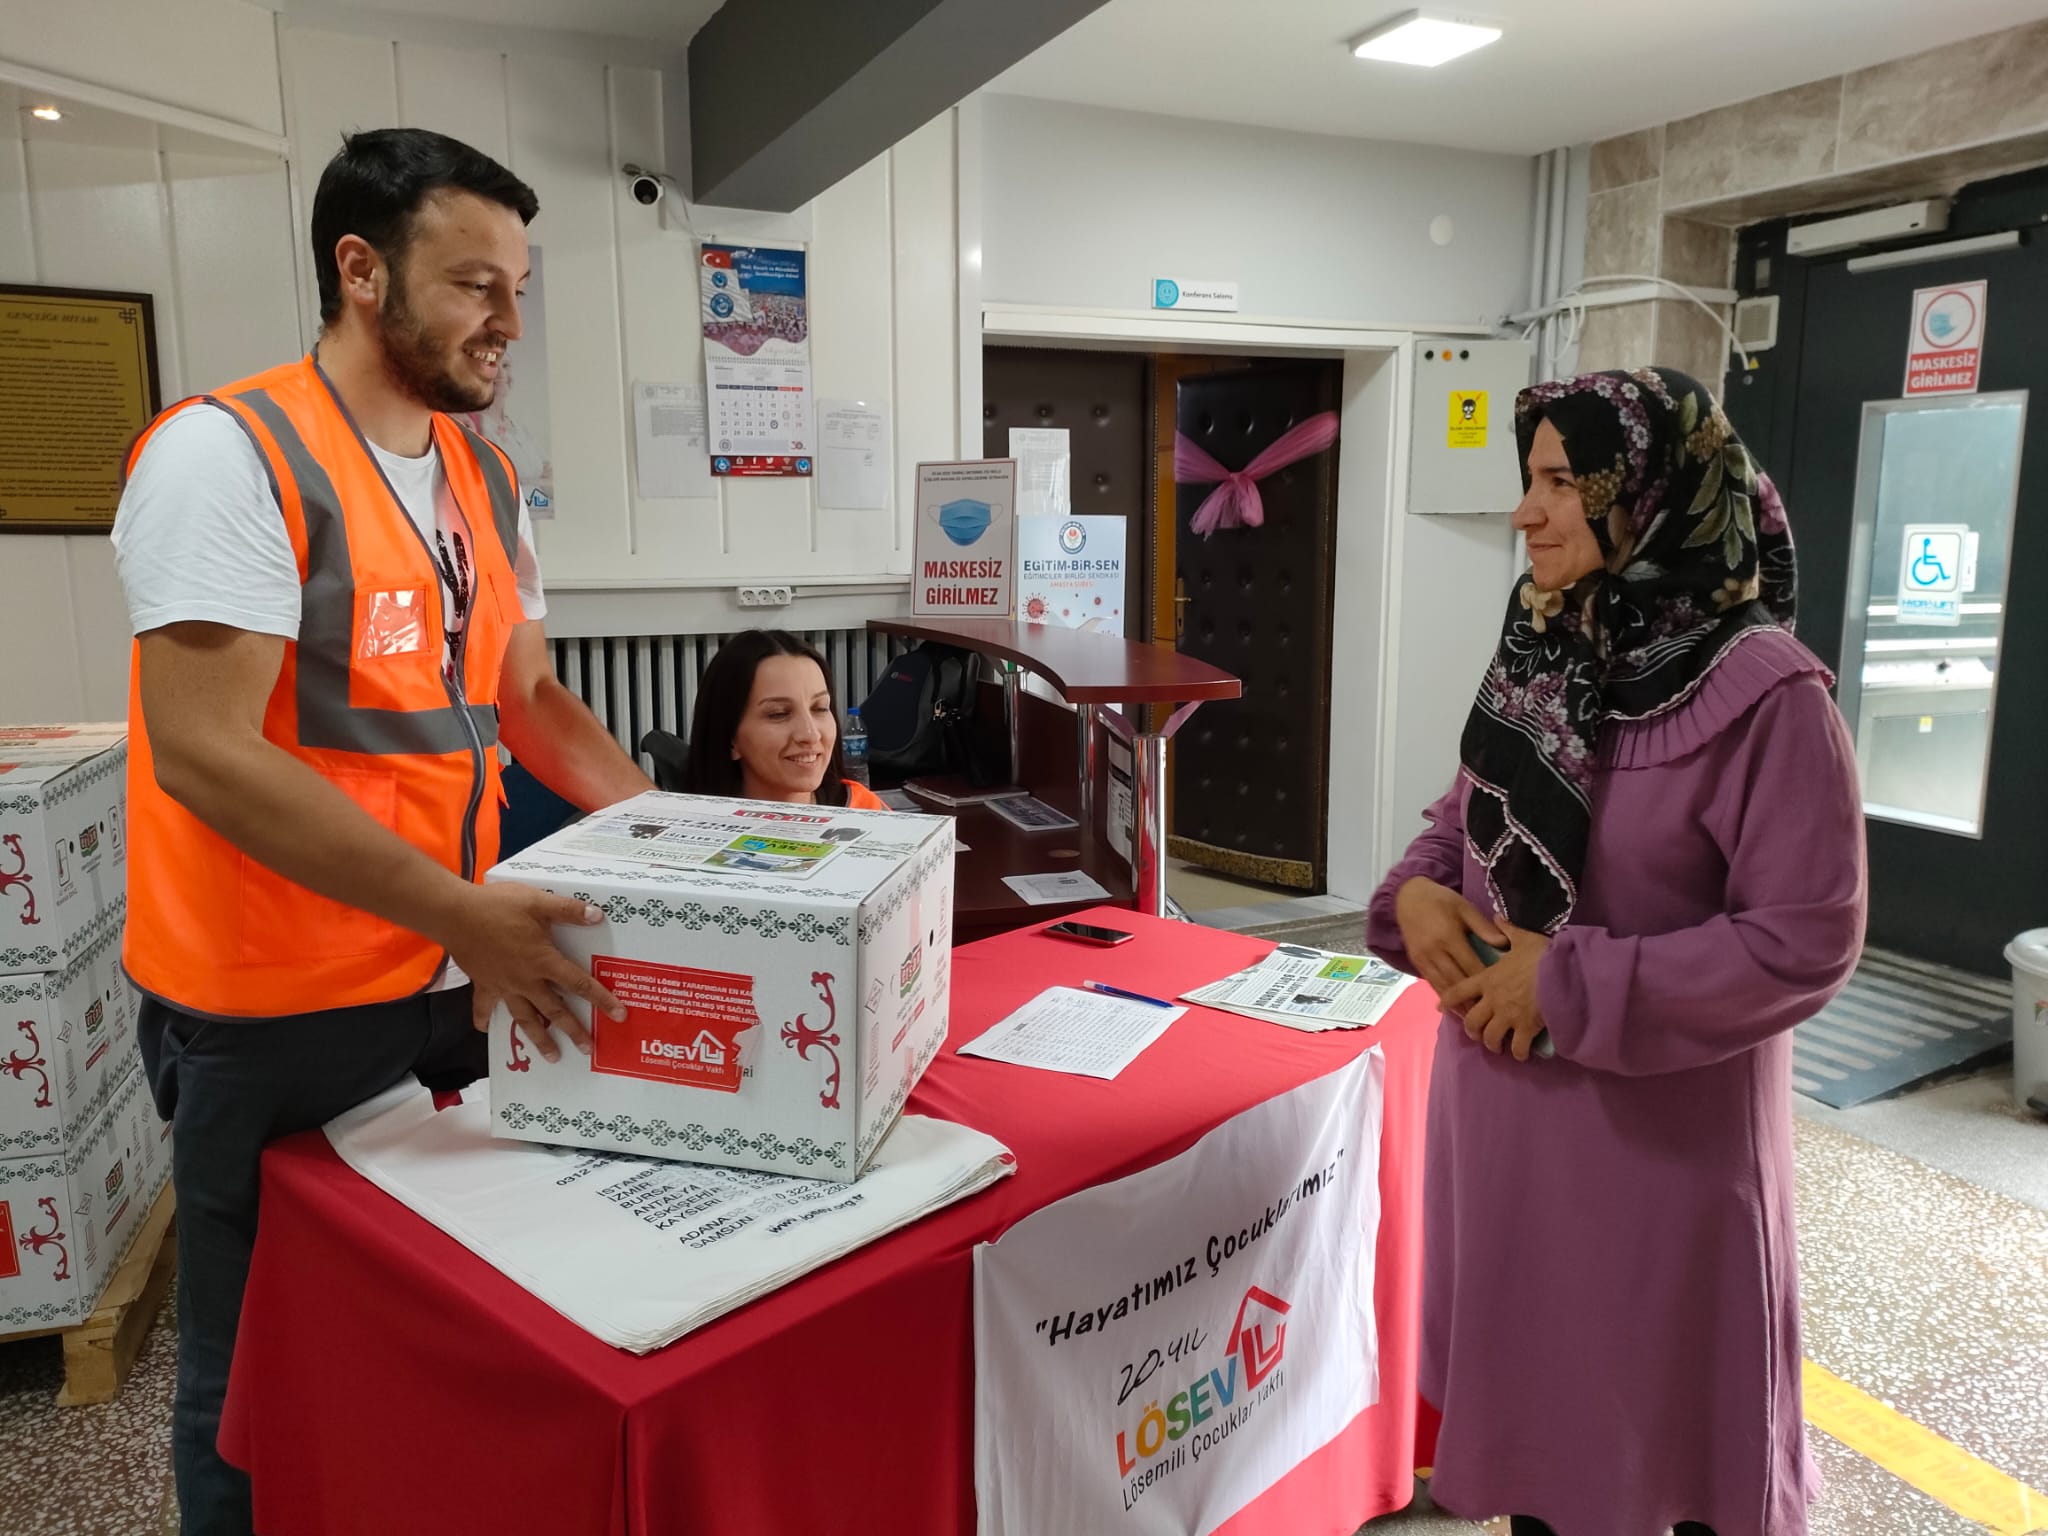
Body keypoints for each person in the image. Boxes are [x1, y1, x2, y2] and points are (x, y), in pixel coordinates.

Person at [110, 128, 655, 1536]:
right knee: (252, 1378)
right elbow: (206, 751)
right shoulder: (227, 456)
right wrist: (466, 915)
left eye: (520, 289)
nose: (510, 323)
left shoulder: (480, 478)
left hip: (441, 989)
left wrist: (685, 836)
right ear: (361, 271)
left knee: (427, 1326)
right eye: (478, 285)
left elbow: (526, 695)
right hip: (275, 1012)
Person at [1366, 368, 1866, 1536]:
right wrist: (1418, 899)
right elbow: (1468, 816)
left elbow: (1805, 939)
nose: (1525, 513)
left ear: (1645, 495)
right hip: (1509, 1137)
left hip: (1650, 1166)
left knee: (1650, 1472)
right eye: (1525, 481)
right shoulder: (1546, 642)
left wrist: (1568, 980)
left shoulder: (1767, 697)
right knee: (1540, 1473)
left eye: (1557, 483)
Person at [681, 629, 888, 809]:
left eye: (820, 708)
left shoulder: (864, 810)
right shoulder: (689, 825)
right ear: (730, 738)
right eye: (779, 713)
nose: (811, 734)